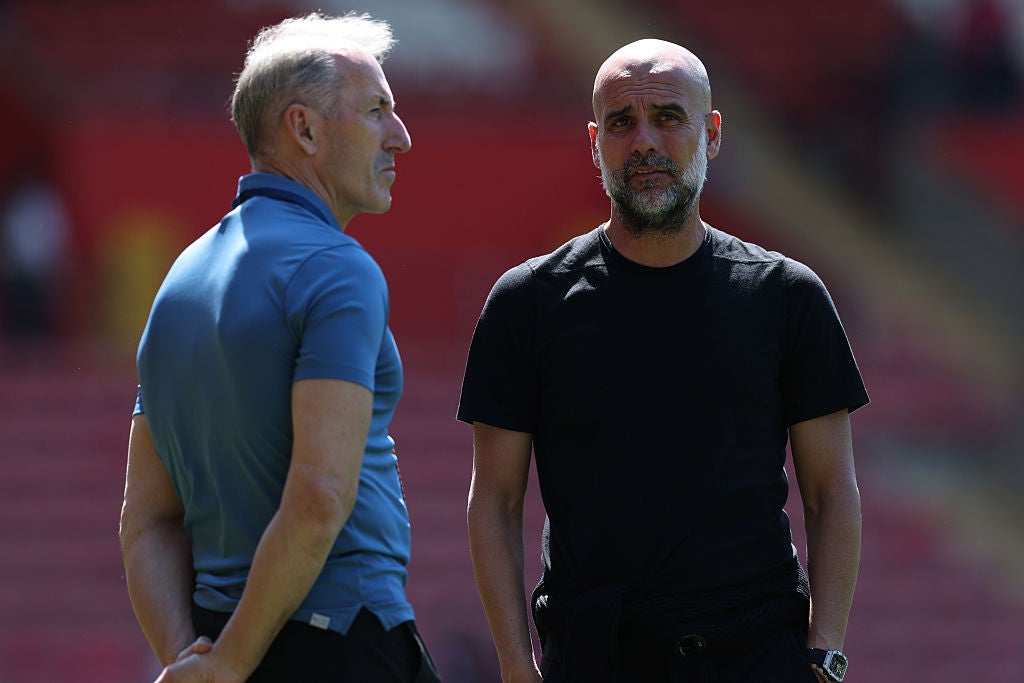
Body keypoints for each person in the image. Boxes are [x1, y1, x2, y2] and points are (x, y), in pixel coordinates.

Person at [459, 39, 867, 683]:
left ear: (713, 133)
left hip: (755, 654)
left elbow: (832, 492)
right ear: (595, 143)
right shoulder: (527, 302)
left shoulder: (788, 296)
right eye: (621, 122)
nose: (644, 141)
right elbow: (495, 500)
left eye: (669, 117)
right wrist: (515, 666)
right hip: (596, 655)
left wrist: (824, 654)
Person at [119, 12, 441, 683]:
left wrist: (195, 661)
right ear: (305, 129)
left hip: (215, 637)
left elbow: (145, 520)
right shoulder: (337, 268)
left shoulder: (178, 279)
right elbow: (321, 495)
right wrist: (229, 662)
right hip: (343, 642)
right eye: (376, 110)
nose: (401, 136)